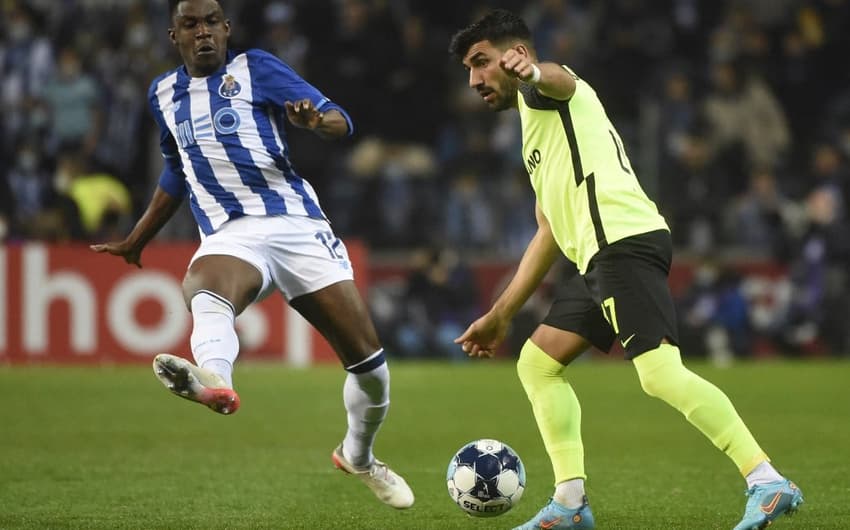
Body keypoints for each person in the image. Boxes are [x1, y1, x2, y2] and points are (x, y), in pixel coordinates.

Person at [448, 10, 802, 530]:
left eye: (481, 63)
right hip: (599, 255)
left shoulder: (543, 90)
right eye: (468, 70)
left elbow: (561, 82)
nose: (475, 79)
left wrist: (533, 72)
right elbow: (547, 233)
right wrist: (501, 314)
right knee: (537, 363)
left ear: (514, 53)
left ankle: (767, 480)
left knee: (660, 375)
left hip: (622, 242)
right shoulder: (533, 135)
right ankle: (570, 504)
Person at [90, 0, 413, 510]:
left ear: (226, 29)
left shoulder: (256, 68)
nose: (203, 33)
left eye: (212, 23)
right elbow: (176, 171)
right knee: (203, 285)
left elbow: (340, 121)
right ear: (174, 35)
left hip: (296, 225)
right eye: (190, 25)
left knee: (370, 367)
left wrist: (313, 122)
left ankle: (359, 454)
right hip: (229, 232)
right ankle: (216, 380)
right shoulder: (163, 95)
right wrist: (138, 239)